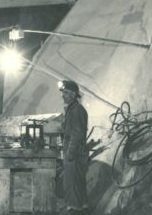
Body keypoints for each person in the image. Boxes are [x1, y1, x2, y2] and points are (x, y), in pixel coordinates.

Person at [59, 80, 89, 214]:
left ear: (73, 94)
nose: (62, 96)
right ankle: (80, 209)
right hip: (74, 153)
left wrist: (70, 154)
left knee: (74, 185)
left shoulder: (76, 111)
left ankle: (76, 211)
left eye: (65, 93)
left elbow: (77, 135)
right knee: (76, 185)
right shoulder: (72, 110)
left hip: (75, 154)